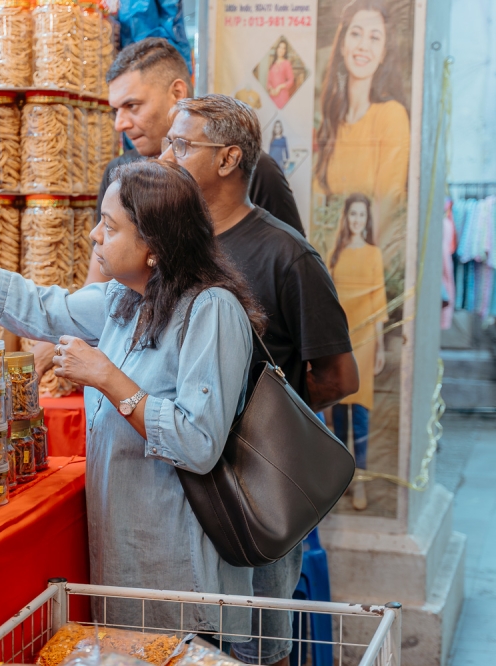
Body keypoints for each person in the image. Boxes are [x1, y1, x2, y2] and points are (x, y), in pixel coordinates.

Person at [0, 159, 266, 638]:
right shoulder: (125, 300)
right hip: (126, 552)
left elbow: (197, 443)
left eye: (109, 226)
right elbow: (39, 307)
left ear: (153, 245)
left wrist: (109, 379)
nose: (94, 235)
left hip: (182, 560)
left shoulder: (210, 311)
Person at [159, 94, 358, 666]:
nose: (169, 157)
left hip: (251, 488)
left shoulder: (287, 256)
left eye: (182, 145)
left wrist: (255, 410)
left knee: (252, 644)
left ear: (227, 159)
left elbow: (340, 375)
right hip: (185, 474)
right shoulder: (176, 246)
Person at [100, 37, 304, 236]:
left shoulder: (254, 170)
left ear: (178, 93)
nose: (120, 124)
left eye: (132, 106)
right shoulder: (119, 174)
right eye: (116, 110)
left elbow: (289, 257)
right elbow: (102, 263)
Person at [315, 0, 409, 231]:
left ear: (384, 53)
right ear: (342, 44)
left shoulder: (392, 116)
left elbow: (387, 206)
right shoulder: (331, 118)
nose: (363, 46)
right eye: (356, 34)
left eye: (375, 38)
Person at [328, 193, 388, 511]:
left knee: (361, 415)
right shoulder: (334, 256)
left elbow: (378, 302)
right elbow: (326, 301)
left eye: (361, 215)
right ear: (346, 218)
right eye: (352, 214)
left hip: (364, 343)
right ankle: (341, 480)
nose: (356, 220)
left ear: (367, 220)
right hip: (340, 343)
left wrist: (379, 347)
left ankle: (360, 480)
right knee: (338, 415)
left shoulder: (374, 255)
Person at [267, 39, 295, 108]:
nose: (281, 50)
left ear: (285, 51)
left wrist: (279, 87)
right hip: (272, 96)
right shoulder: (273, 64)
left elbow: (291, 80)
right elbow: (268, 81)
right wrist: (271, 89)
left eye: (283, 48)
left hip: (282, 96)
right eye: (280, 47)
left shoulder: (286, 63)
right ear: (277, 49)